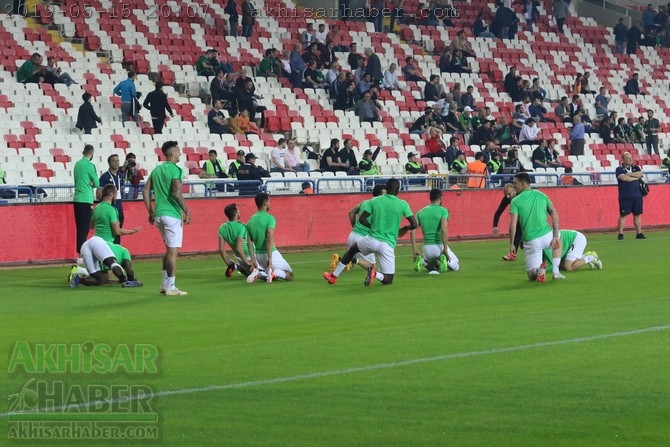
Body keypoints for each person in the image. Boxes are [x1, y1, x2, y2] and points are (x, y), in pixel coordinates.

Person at [323, 178, 417, 286]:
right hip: (387, 245)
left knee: (352, 249)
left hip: (371, 239)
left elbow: (362, 219)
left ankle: (333, 276)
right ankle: (375, 274)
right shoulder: (403, 204)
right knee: (388, 279)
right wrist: (404, 229)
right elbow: (414, 224)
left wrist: (373, 228)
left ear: (386, 188)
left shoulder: (374, 200)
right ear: (398, 190)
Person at [68, 184, 142, 288]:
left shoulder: (96, 208)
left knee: (101, 278)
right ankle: (128, 280)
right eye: (116, 194)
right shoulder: (112, 210)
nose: (116, 197)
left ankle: (78, 279)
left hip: (89, 243)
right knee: (123, 254)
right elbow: (117, 231)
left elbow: (92, 226)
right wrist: (132, 231)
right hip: (103, 243)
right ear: (111, 195)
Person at [143, 141, 191, 296]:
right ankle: (171, 286)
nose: (180, 153)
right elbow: (176, 192)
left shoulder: (156, 170)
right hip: (172, 215)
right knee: (173, 252)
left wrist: (150, 211)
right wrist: (187, 211)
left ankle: (165, 284)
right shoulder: (176, 170)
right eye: (178, 151)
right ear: (172, 154)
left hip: (159, 214)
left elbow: (145, 190)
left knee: (168, 250)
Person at [509, 172, 564, 282]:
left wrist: (512, 244)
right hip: (547, 235)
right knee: (560, 238)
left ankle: (538, 270)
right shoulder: (542, 195)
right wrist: (555, 236)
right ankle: (556, 272)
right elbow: (555, 214)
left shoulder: (515, 201)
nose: (513, 185)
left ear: (523, 184)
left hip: (531, 240)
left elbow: (512, 225)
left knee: (530, 275)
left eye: (515, 183)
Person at [330, 184, 386, 273]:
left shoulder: (365, 202)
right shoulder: (379, 206)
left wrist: (355, 227)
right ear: (379, 195)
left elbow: (351, 212)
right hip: (363, 238)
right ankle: (353, 260)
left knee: (348, 262)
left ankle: (339, 259)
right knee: (372, 267)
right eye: (384, 195)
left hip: (352, 235)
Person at [410, 188, 460, 274]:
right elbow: (444, 230)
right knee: (456, 265)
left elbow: (412, 231)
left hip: (427, 249)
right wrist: (445, 248)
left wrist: (415, 250)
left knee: (434, 268)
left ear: (430, 198)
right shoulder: (444, 211)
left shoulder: (420, 212)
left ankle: (423, 261)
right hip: (439, 246)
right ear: (440, 199)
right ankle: (443, 257)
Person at [247, 193, 294, 282]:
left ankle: (262, 273)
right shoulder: (270, 218)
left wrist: (253, 260)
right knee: (290, 275)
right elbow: (269, 239)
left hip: (258, 256)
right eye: (269, 201)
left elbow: (249, 242)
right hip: (270, 253)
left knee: (270, 273)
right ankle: (272, 273)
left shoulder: (250, 221)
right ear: (265, 204)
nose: (270, 203)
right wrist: (270, 260)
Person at [218, 203, 262, 282]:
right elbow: (239, 248)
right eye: (238, 210)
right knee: (267, 272)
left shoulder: (222, 227)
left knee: (247, 272)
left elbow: (221, 249)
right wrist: (248, 262)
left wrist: (228, 263)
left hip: (239, 258)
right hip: (250, 256)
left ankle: (234, 266)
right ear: (235, 214)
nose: (239, 212)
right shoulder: (242, 226)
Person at [73, 144, 100, 255]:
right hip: (86, 199)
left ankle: (80, 251)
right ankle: (82, 252)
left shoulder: (77, 164)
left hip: (77, 198)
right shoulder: (90, 166)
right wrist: (92, 183)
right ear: (92, 153)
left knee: (80, 227)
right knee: (85, 227)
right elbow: (97, 183)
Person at [615, 151, 645, 240]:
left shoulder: (636, 167)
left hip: (637, 195)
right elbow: (623, 178)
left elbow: (640, 174)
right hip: (625, 196)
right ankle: (620, 233)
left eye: (631, 158)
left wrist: (629, 175)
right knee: (623, 215)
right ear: (623, 159)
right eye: (628, 158)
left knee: (637, 214)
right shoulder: (619, 169)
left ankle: (639, 233)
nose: (630, 159)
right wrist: (635, 178)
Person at [99, 154, 125, 244]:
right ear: (109, 163)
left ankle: (117, 248)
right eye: (114, 161)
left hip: (119, 207)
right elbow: (99, 193)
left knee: (118, 230)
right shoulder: (104, 177)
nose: (116, 162)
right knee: (109, 230)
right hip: (109, 208)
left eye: (118, 160)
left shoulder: (121, 176)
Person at [493, 183, 523, 261]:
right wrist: (495, 226)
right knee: (518, 229)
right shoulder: (506, 199)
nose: (507, 196)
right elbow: (498, 212)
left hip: (529, 217)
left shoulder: (522, 195)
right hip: (520, 218)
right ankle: (513, 253)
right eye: (506, 194)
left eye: (509, 194)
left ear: (514, 190)